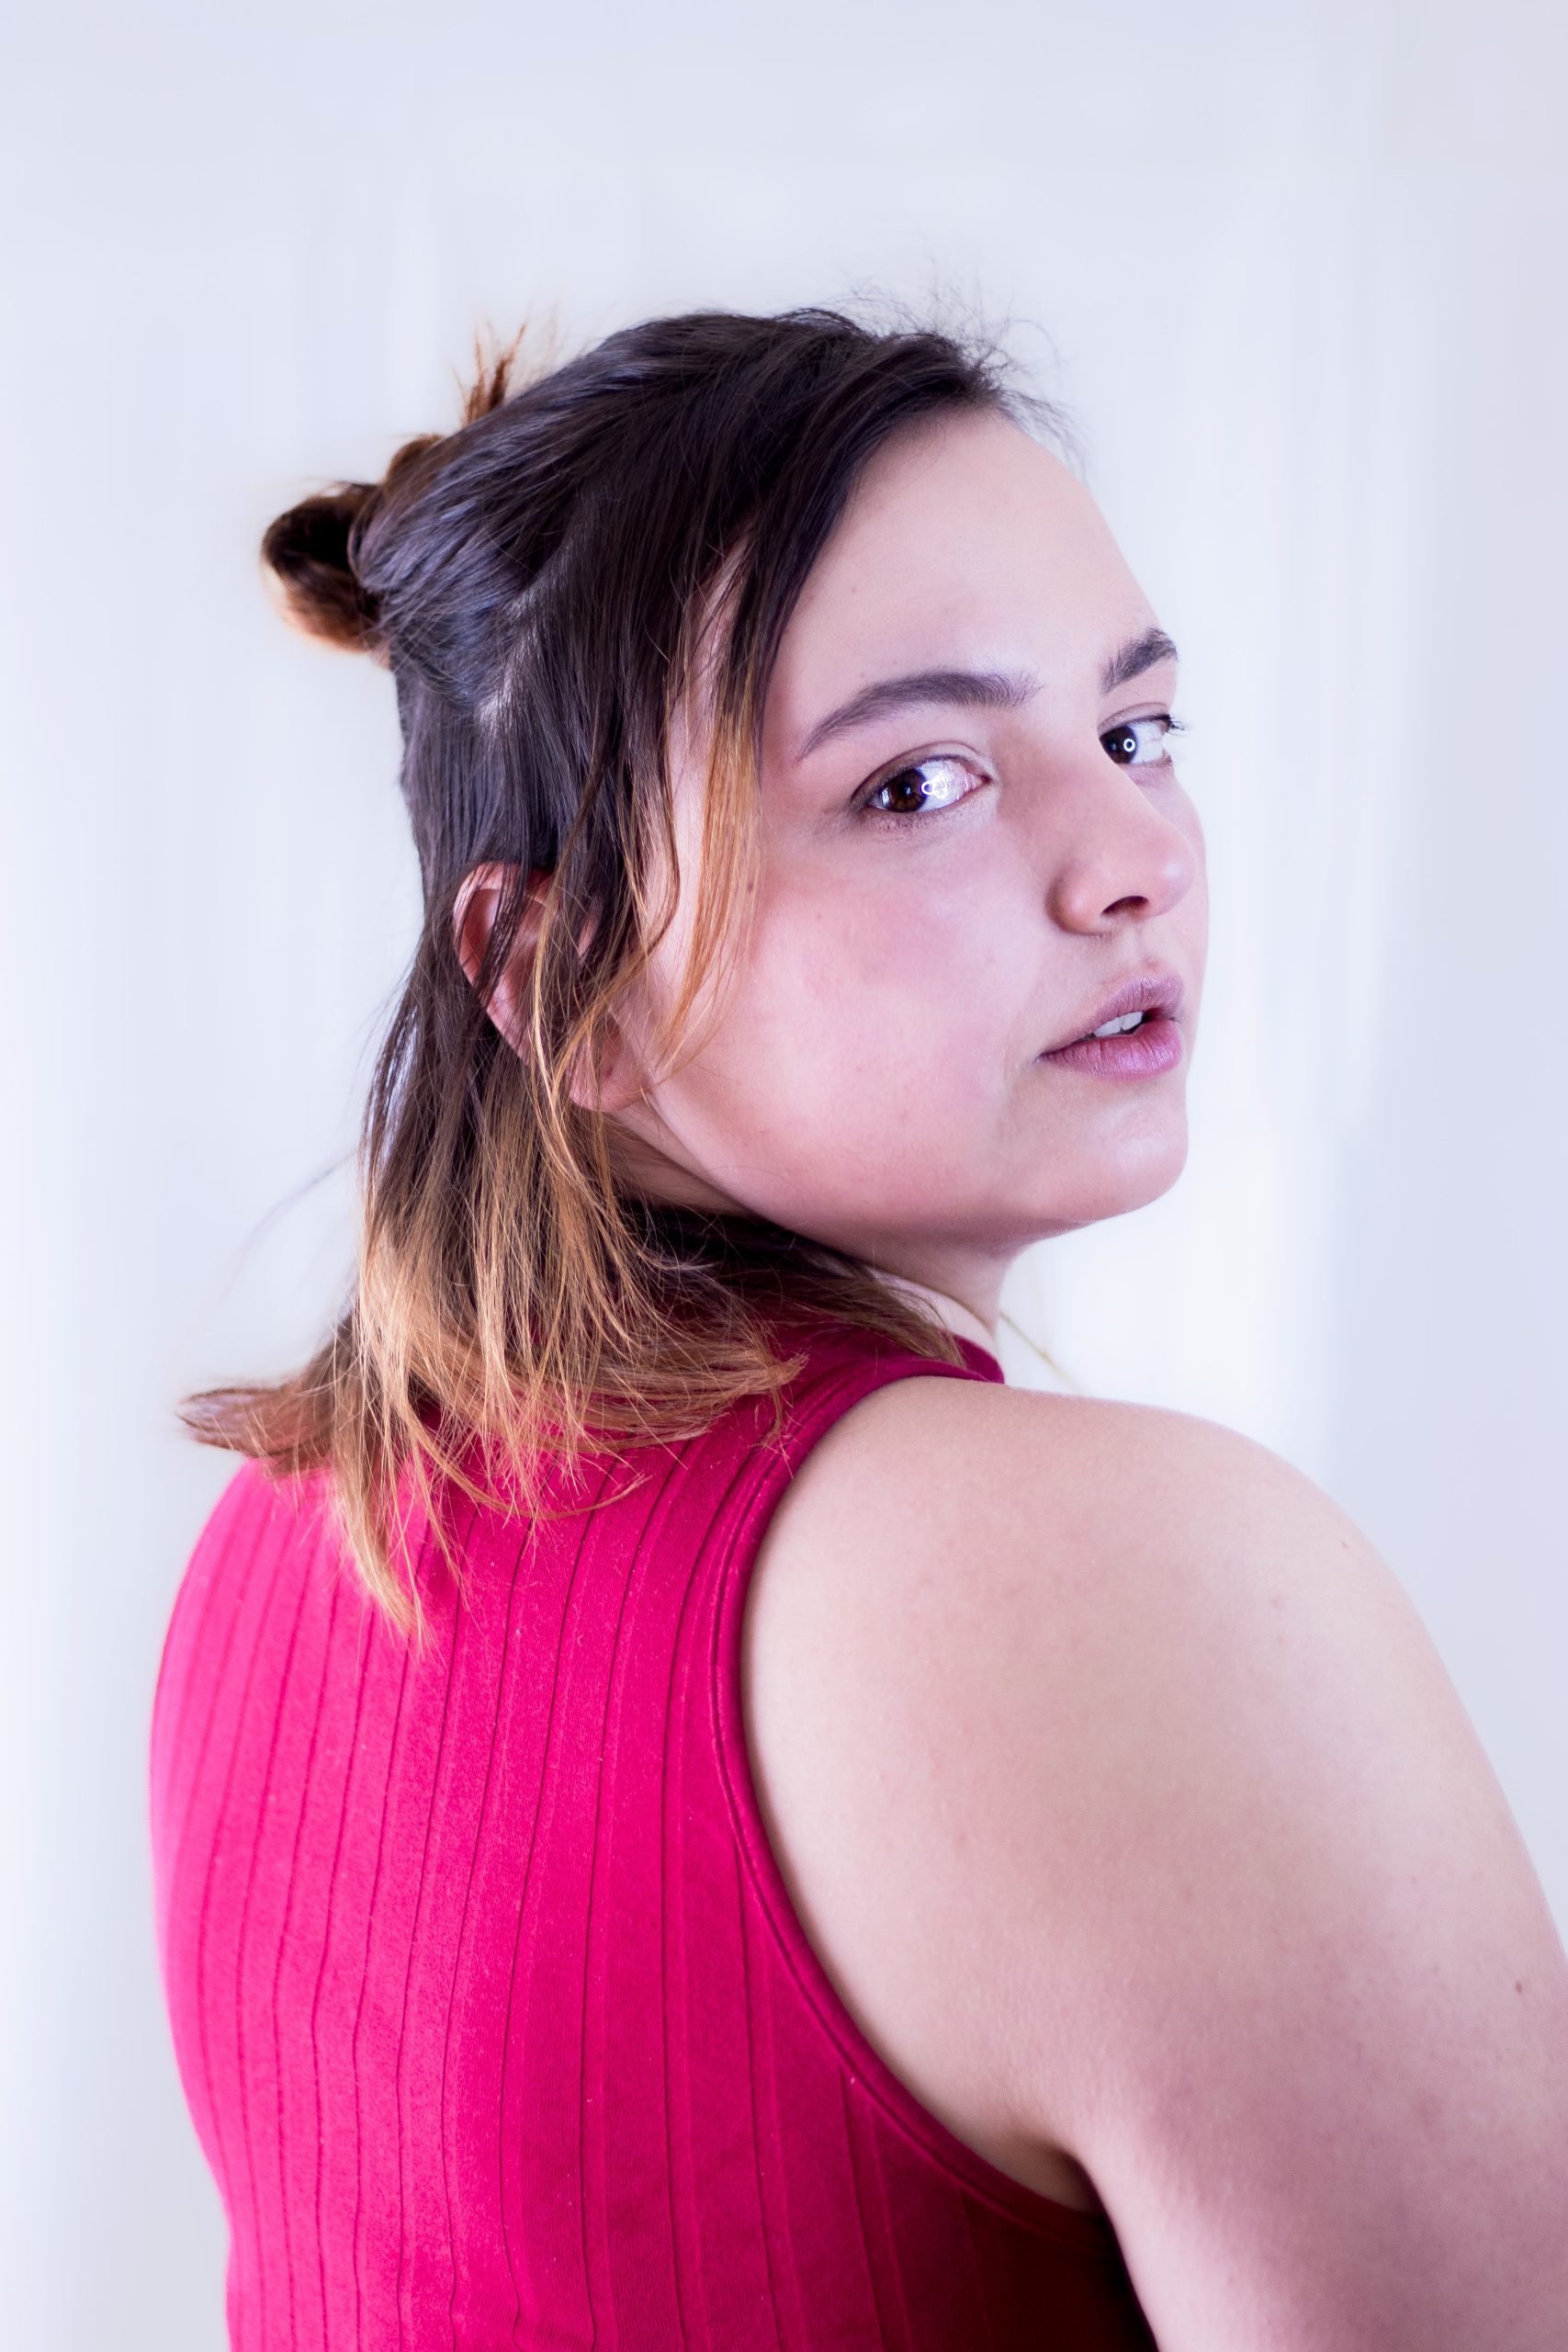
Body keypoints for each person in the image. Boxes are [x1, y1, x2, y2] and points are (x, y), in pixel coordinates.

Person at [148, 302, 1568, 2351]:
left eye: (1136, 729)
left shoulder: (289, 1536)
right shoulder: (1132, 1584)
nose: (1132, 861)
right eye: (916, 782)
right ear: (559, 973)